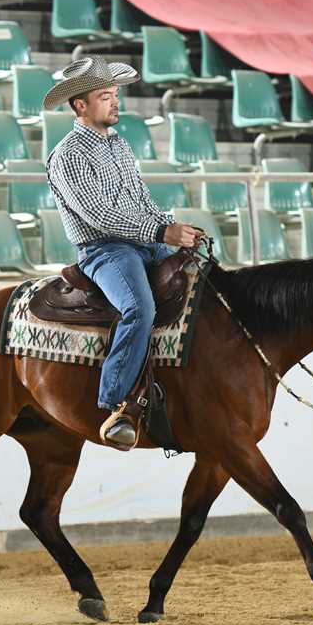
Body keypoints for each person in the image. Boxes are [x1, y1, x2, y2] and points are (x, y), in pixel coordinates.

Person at [44, 56, 201, 451]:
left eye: (115, 94)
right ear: (80, 105)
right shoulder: (68, 155)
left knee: (204, 283)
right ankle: (117, 404)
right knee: (139, 308)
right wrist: (161, 231)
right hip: (104, 250)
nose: (116, 102)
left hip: (145, 241)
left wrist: (174, 228)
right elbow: (100, 215)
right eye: (105, 96)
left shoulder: (119, 144)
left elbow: (142, 202)